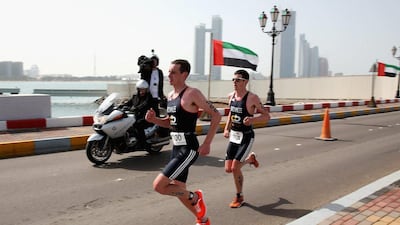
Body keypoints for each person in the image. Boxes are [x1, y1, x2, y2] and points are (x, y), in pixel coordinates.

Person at [145, 59, 221, 225]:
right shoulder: (171, 96)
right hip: (176, 147)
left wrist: (207, 143)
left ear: (184, 74)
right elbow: (170, 122)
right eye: (169, 71)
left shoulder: (193, 93)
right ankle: (203, 219)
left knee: (159, 186)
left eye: (173, 72)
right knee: (178, 189)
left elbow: (216, 115)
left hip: (188, 148)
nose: (169, 75)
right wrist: (154, 119)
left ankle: (196, 197)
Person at [223, 69, 270, 208]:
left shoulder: (252, 98)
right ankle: (250, 159)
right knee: (228, 169)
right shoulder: (231, 96)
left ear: (245, 82)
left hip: (246, 137)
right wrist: (227, 128)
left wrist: (252, 119)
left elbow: (267, 116)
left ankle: (239, 196)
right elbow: (231, 113)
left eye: (237, 80)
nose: (234, 82)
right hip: (234, 136)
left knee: (235, 167)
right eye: (233, 79)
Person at [124, 79, 159, 149]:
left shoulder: (148, 97)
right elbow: (129, 103)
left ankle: (143, 143)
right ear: (137, 89)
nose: (142, 91)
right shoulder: (135, 96)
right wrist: (121, 106)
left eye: (144, 89)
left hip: (146, 117)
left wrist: (136, 108)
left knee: (138, 124)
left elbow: (144, 105)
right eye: (140, 89)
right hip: (136, 116)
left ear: (146, 90)